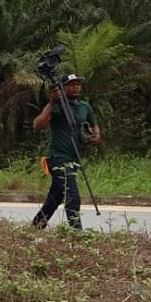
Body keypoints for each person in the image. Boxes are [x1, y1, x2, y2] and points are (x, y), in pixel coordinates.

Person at [32, 74, 101, 230]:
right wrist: (51, 103)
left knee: (55, 198)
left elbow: (94, 124)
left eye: (78, 84)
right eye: (71, 84)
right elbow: (37, 125)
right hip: (57, 158)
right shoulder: (56, 106)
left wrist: (96, 135)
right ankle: (77, 234)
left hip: (74, 159)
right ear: (62, 88)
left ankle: (36, 226)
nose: (76, 87)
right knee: (73, 197)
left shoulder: (85, 106)